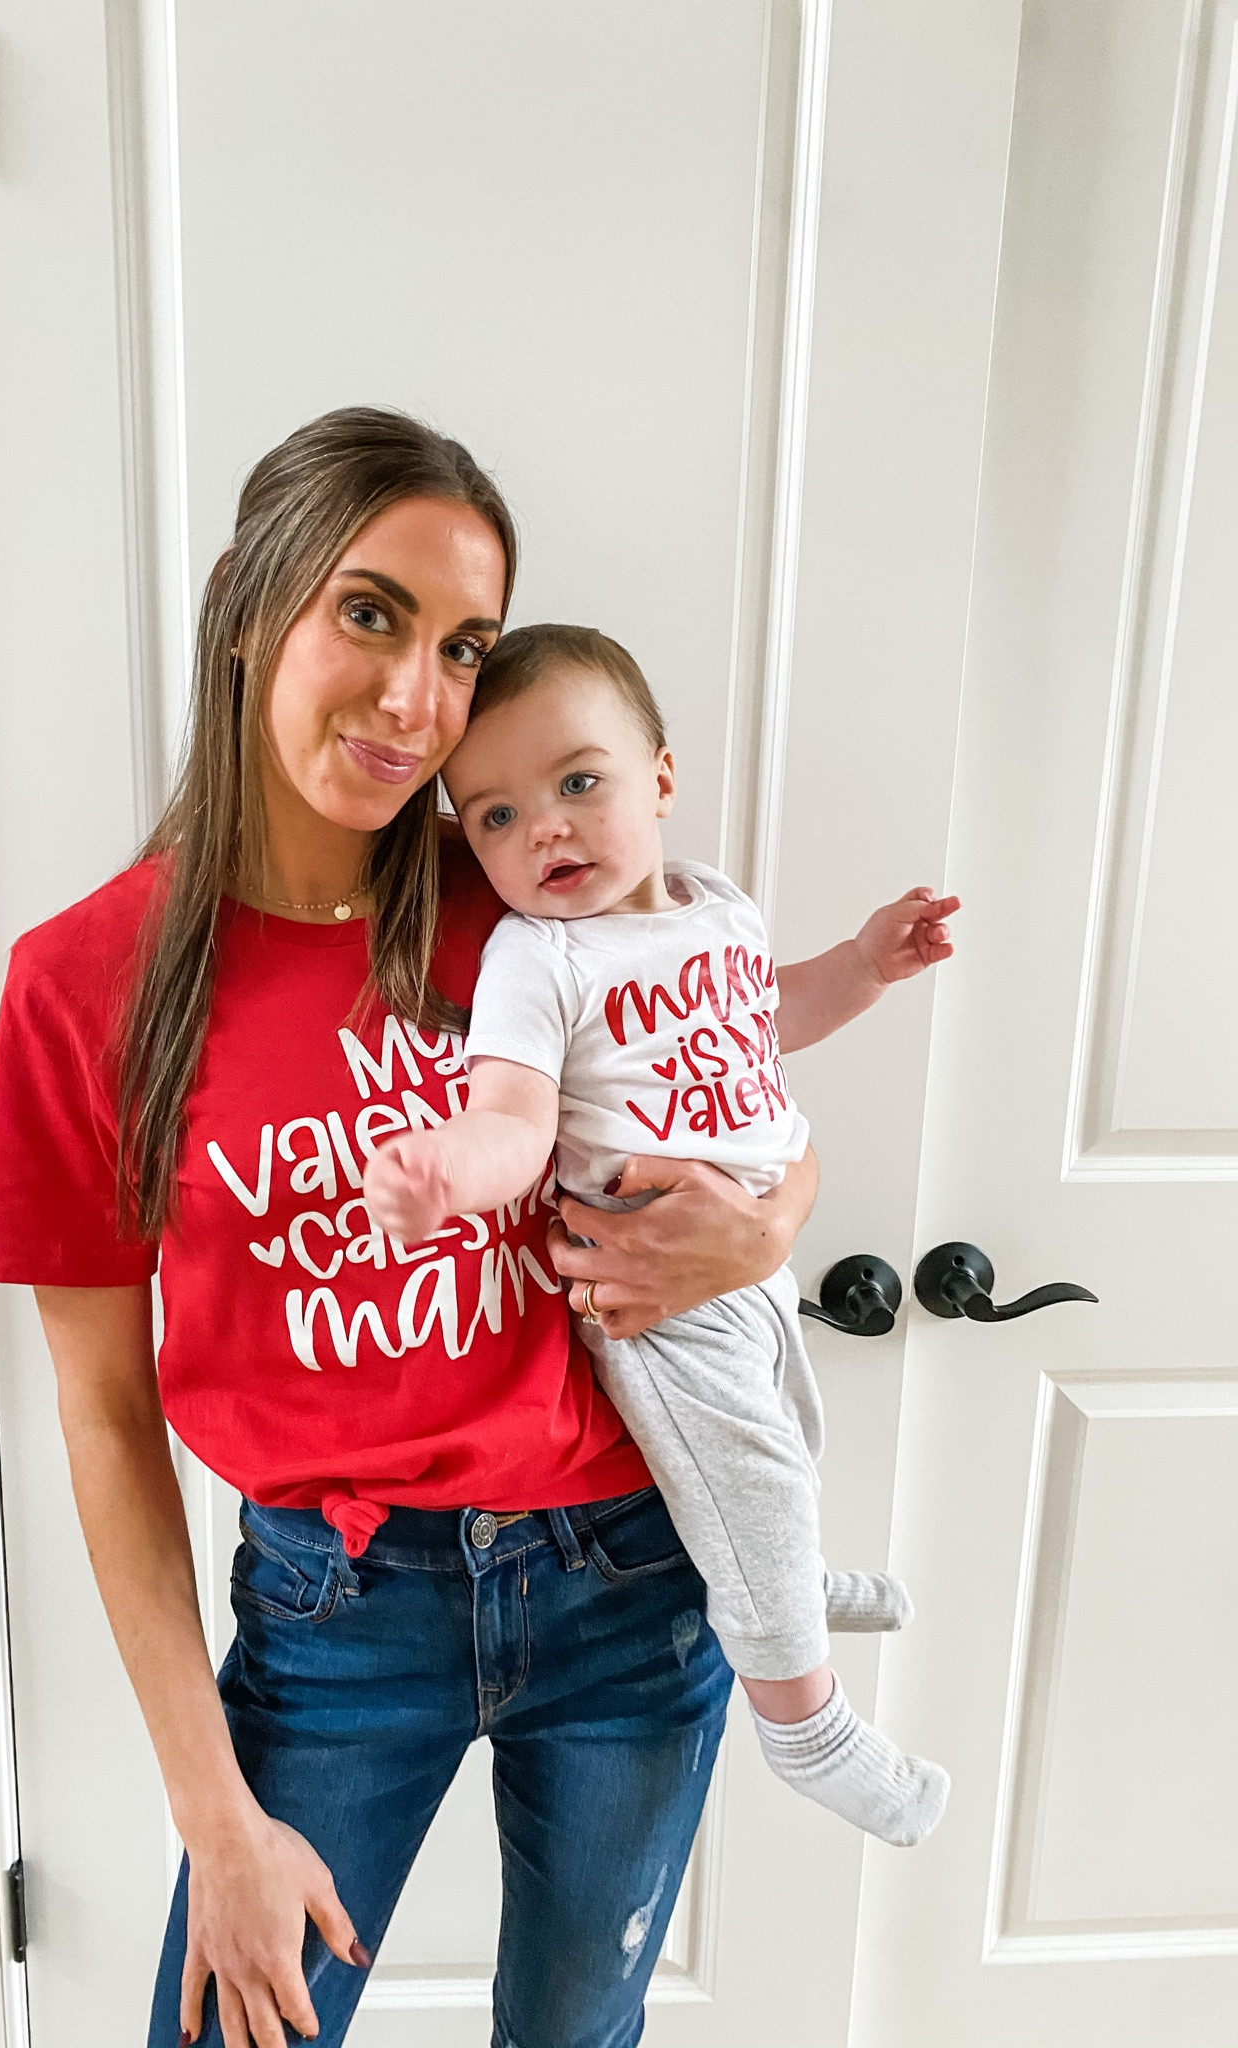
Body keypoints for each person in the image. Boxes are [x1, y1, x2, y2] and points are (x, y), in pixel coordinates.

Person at [0, 409, 832, 2048]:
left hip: (626, 1572)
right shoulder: (84, 980)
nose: (418, 694)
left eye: (464, 644)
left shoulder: (524, 884)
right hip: (336, 1612)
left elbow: (741, 1089)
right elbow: (100, 1407)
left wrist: (769, 1224)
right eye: (370, 612)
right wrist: (214, 1813)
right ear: (248, 601)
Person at [365, 623, 956, 1846]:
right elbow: (515, 1116)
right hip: (656, 1282)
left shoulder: (716, 908)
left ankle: (781, 1576)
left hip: (746, 1247)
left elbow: (769, 1009)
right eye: (496, 816)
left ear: (662, 779)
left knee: (787, 1430)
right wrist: (444, 1173)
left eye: (579, 783)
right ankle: (808, 1723)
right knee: (742, 1468)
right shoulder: (540, 958)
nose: (546, 832)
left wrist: (863, 960)